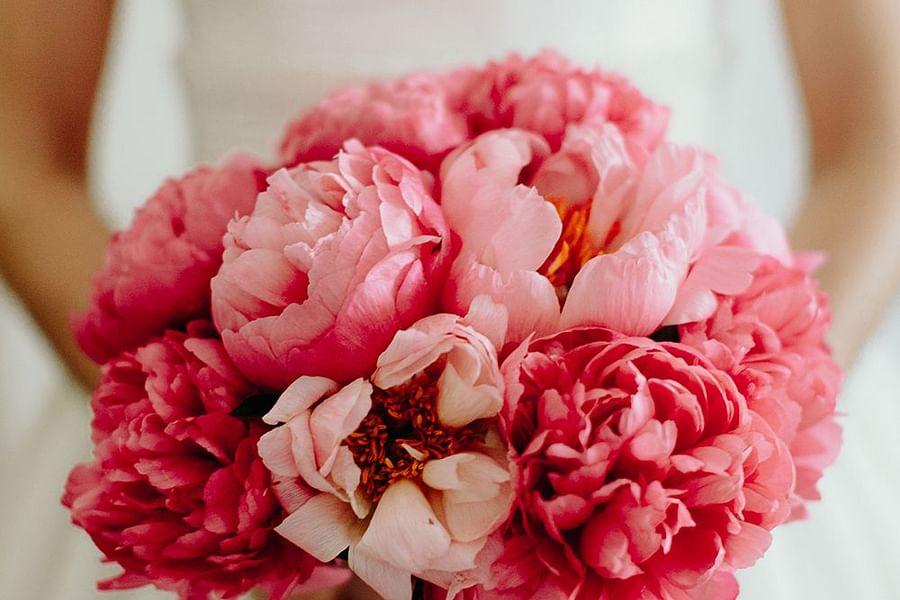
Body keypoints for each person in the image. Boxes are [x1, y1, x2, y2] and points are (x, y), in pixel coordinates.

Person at [1, 1, 898, 599]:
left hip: (655, 472)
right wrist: (293, 510)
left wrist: (745, 415)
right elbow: (18, 149)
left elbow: (882, 142)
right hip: (250, 428)